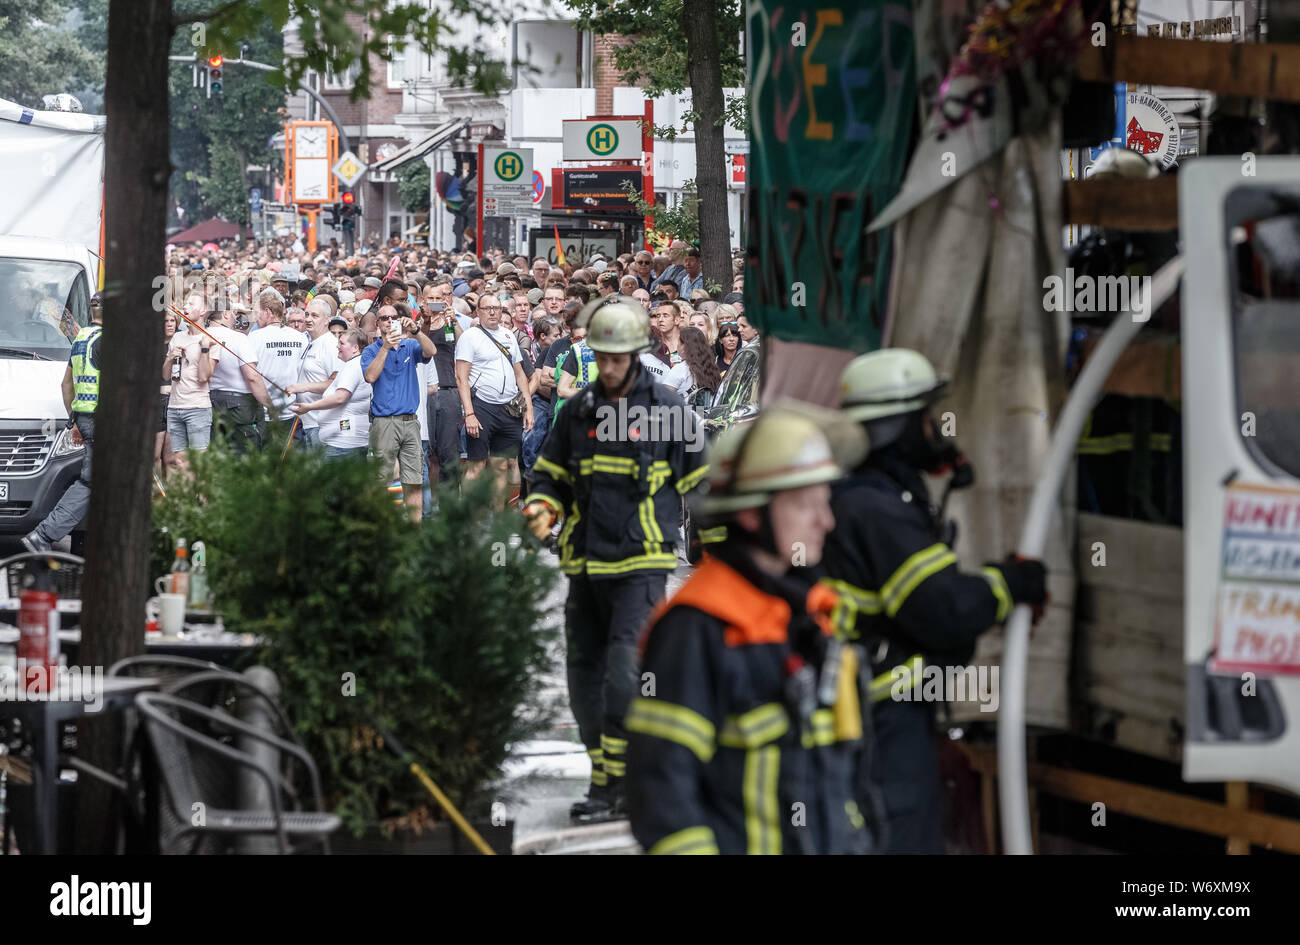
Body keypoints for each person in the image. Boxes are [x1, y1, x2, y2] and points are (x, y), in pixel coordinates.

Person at [820, 348, 1048, 854]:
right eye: (924, 419)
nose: (933, 430)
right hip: (884, 722)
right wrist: (1012, 584)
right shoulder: (875, 509)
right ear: (897, 427)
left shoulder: (867, 494)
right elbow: (945, 609)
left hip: (872, 716)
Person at [625, 405, 874, 855]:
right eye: (804, 505)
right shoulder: (697, 629)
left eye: (825, 501)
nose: (826, 521)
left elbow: (842, 780)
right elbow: (661, 794)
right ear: (751, 515)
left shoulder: (814, 615)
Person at [522, 300, 709, 823]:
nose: (607, 369)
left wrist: (719, 554)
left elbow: (705, 489)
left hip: (642, 566)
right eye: (601, 357)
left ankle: (627, 783)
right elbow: (551, 477)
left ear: (637, 355)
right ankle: (605, 781)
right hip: (584, 568)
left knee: (625, 676)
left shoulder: (672, 411)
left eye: (617, 359)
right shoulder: (579, 410)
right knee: (583, 684)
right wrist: (541, 508)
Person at [21, 293, 105, 553]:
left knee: (99, 482)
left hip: (85, 417)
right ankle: (44, 535)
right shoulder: (106, 342)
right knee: (92, 481)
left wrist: (75, 420)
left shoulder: (81, 338)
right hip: (104, 421)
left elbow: (66, 384)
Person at [454, 294, 534, 503]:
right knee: (477, 465)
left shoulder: (508, 335)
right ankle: (471, 519)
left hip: (509, 407)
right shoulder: (470, 336)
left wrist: (529, 408)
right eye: (487, 308)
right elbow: (461, 377)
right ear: (478, 311)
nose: (492, 312)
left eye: (496, 308)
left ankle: (500, 519)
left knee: (503, 465)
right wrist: (469, 414)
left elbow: (520, 374)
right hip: (482, 406)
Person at [362, 304, 436, 521]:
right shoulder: (371, 350)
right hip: (384, 422)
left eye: (393, 317)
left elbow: (431, 351)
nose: (389, 321)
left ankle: (414, 533)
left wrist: (416, 330)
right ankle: (382, 529)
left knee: (414, 480)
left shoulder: (410, 345)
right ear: (378, 323)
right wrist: (385, 347)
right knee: (381, 479)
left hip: (410, 421)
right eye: (384, 318)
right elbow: (370, 377)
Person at [292, 328, 371, 461]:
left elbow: (340, 397)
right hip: (346, 441)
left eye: (342, 343)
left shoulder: (352, 367)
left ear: (355, 348)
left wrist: (309, 407)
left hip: (344, 443)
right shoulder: (355, 364)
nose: (337, 346)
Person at [207, 303, 273, 454]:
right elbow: (252, 376)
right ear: (225, 313)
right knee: (245, 455)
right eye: (233, 314)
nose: (235, 318)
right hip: (238, 405)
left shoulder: (201, 335)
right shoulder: (238, 338)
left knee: (218, 455)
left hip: (211, 402)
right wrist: (270, 405)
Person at [165, 303, 220, 465]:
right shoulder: (177, 337)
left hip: (198, 407)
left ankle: (200, 492)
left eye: (191, 303)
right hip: (174, 407)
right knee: (179, 462)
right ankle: (186, 492)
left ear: (203, 310)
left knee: (199, 463)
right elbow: (166, 375)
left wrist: (204, 349)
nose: (185, 307)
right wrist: (170, 358)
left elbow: (204, 377)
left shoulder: (210, 339)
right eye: (185, 304)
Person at [421, 279, 464, 483]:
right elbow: (419, 344)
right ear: (423, 300)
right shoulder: (417, 322)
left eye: (440, 298)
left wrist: (453, 321)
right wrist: (426, 319)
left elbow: (464, 346)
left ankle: (448, 506)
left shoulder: (451, 321)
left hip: (448, 390)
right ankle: (427, 506)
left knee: (450, 453)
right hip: (424, 392)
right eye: (431, 298)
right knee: (425, 451)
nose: (436, 302)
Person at [250, 289, 309, 435]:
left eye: (257, 312)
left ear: (268, 312)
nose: (255, 317)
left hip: (269, 412)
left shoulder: (254, 337)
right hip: (291, 409)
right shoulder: (300, 337)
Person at [285, 298, 341, 448]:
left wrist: (302, 387)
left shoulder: (330, 344)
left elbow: (336, 383)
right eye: (307, 314)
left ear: (327, 319)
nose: (308, 319)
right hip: (307, 421)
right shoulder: (310, 342)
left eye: (315, 316)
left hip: (322, 423)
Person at [675, 326, 721, 410]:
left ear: (684, 346)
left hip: (686, 419)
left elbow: (663, 397)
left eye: (678, 341)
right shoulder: (711, 367)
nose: (677, 345)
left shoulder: (680, 369)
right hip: (706, 417)